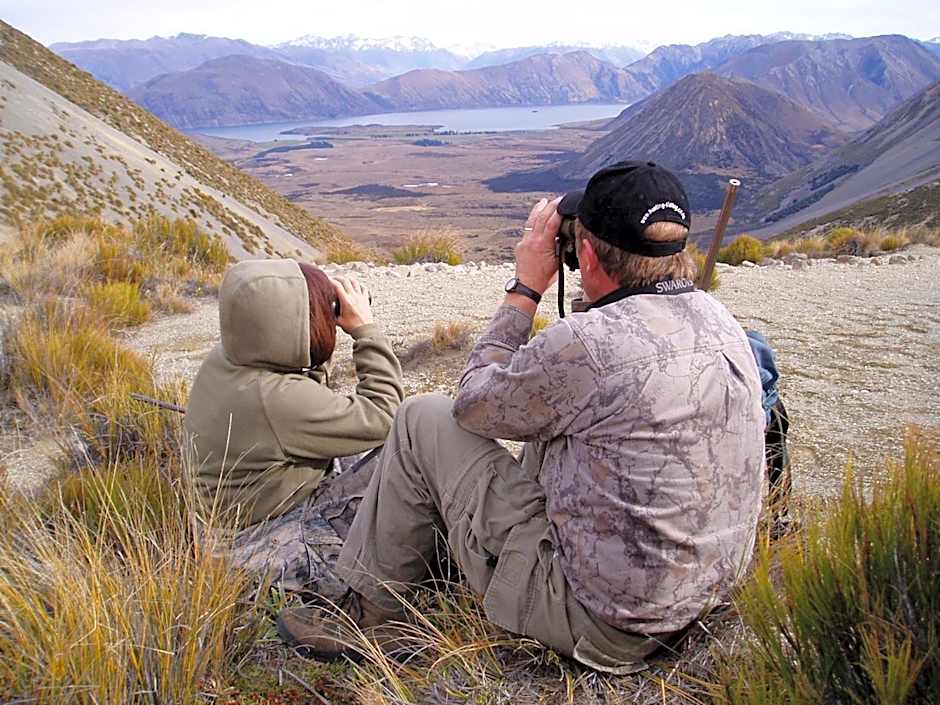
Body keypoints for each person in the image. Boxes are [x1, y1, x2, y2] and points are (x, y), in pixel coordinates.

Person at [276, 162, 766, 674]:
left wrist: (525, 287)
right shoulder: (718, 319)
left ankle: (368, 616)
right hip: (698, 601)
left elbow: (473, 403)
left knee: (423, 419)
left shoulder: (588, 345)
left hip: (607, 625)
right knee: (550, 424)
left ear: (589, 254)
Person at [185, 258, 404, 530]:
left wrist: (314, 325)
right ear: (293, 326)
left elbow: (305, 383)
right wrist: (364, 330)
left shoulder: (232, 357)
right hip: (263, 537)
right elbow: (385, 415)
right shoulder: (275, 398)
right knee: (408, 448)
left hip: (232, 517)